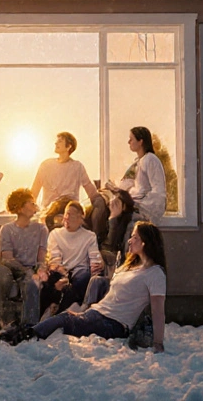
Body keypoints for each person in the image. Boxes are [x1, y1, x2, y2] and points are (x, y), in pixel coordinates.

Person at [22, 221, 167, 353]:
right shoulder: (132, 267)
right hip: (98, 313)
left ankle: (24, 336)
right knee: (67, 315)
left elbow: (158, 310)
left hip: (114, 324)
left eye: (134, 237)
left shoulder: (155, 273)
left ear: (144, 243)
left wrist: (158, 342)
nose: (129, 240)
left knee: (63, 320)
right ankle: (27, 331)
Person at [90, 126, 167, 259]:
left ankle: (110, 248)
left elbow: (158, 192)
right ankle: (105, 247)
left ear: (141, 141)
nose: (128, 142)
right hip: (133, 203)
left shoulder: (150, 160)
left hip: (142, 207)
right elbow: (130, 185)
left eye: (131, 139)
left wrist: (137, 206)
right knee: (102, 203)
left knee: (116, 215)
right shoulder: (137, 162)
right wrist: (114, 188)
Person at [0, 188, 49, 333]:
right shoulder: (7, 229)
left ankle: (29, 327)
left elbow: (41, 258)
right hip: (11, 267)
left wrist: (39, 270)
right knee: (1, 273)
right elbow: (7, 257)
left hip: (31, 268)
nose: (34, 205)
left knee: (32, 280)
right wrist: (23, 270)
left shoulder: (41, 229)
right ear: (20, 207)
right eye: (31, 203)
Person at [40, 201, 103, 316]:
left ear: (80, 218)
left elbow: (95, 258)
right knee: (49, 280)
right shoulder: (55, 234)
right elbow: (54, 258)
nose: (67, 218)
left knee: (83, 278)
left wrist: (96, 267)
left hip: (80, 270)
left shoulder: (89, 236)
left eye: (71, 214)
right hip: (61, 269)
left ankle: (61, 313)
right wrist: (62, 274)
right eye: (66, 214)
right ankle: (48, 313)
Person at [30, 132, 101, 230]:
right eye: (56, 141)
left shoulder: (77, 167)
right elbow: (34, 191)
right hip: (49, 212)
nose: (56, 143)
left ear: (69, 147)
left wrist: (103, 197)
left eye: (60, 141)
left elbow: (91, 191)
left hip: (70, 211)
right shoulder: (46, 165)